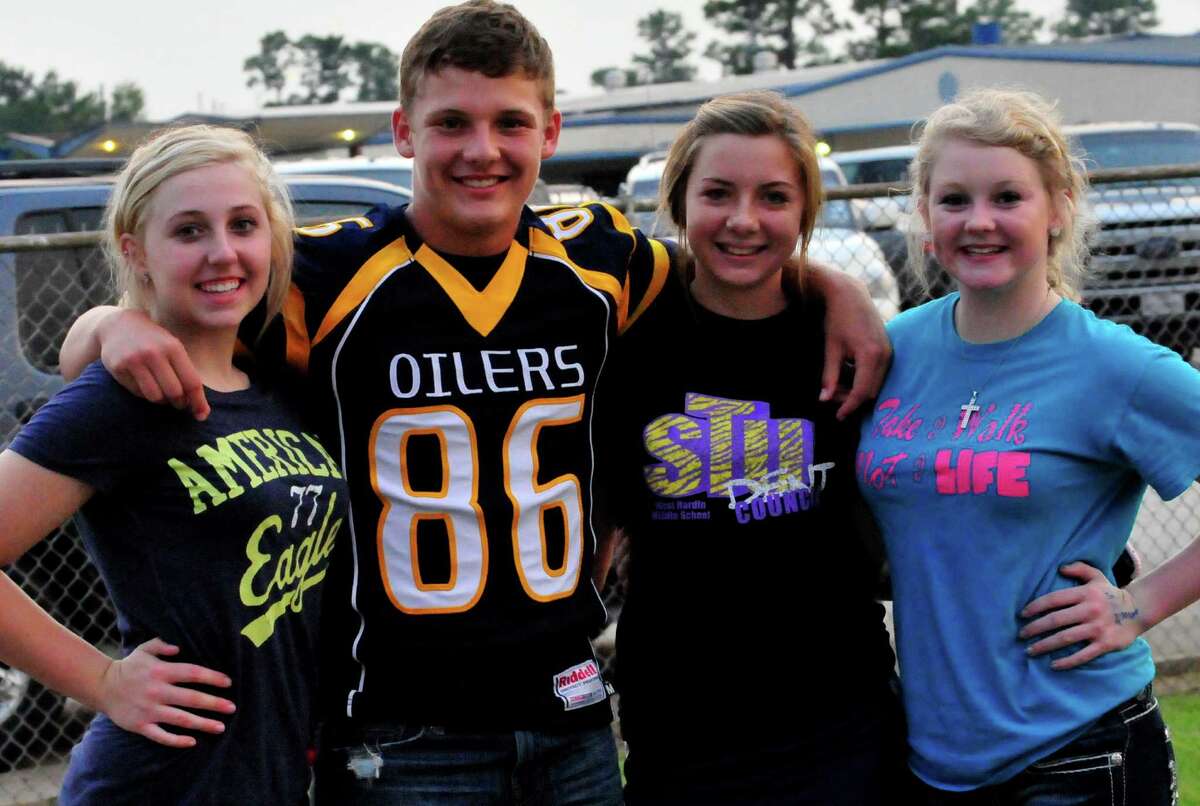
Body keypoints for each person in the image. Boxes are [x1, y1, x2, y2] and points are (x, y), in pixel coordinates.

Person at [60, 3, 891, 801]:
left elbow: (729, 261)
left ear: (551, 133)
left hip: (570, 718)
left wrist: (834, 285)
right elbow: (180, 323)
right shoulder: (325, 275)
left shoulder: (601, 262)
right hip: (403, 732)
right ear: (403, 132)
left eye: (510, 124)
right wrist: (109, 322)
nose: (481, 150)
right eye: (452, 123)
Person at [856, 87, 1200, 804]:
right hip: (929, 756)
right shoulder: (894, 348)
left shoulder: (1115, 366)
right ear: (923, 215)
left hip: (1077, 751)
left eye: (1007, 197)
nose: (978, 222)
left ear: (1060, 206)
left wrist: (1139, 606)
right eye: (954, 200)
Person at [1, 125, 348, 804]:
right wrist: (102, 682)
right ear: (137, 252)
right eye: (189, 231)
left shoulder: (274, 384)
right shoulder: (122, 396)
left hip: (270, 775)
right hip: (162, 781)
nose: (223, 252)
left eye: (243, 224)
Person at [600, 90, 904, 805]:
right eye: (717, 194)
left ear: (805, 212)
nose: (743, 220)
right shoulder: (623, 337)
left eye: (774, 197)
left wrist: (837, 287)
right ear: (678, 204)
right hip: (681, 726)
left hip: (840, 717)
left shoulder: (854, 343)